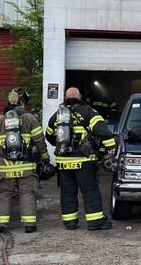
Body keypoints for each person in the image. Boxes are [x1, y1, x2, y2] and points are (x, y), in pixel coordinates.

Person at [45, 86, 117, 231]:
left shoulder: (58, 114)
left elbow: (49, 135)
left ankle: (70, 222)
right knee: (89, 190)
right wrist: (111, 147)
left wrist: (62, 146)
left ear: (65, 98)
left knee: (67, 191)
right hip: (84, 160)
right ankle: (95, 221)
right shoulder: (88, 111)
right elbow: (102, 131)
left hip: (63, 161)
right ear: (81, 96)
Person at [0, 88, 49, 233]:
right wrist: (45, 156)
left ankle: (1, 224)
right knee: (27, 193)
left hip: (5, 168)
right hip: (25, 166)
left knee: (3, 194)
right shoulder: (30, 119)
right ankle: (29, 224)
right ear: (22, 102)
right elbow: (39, 140)